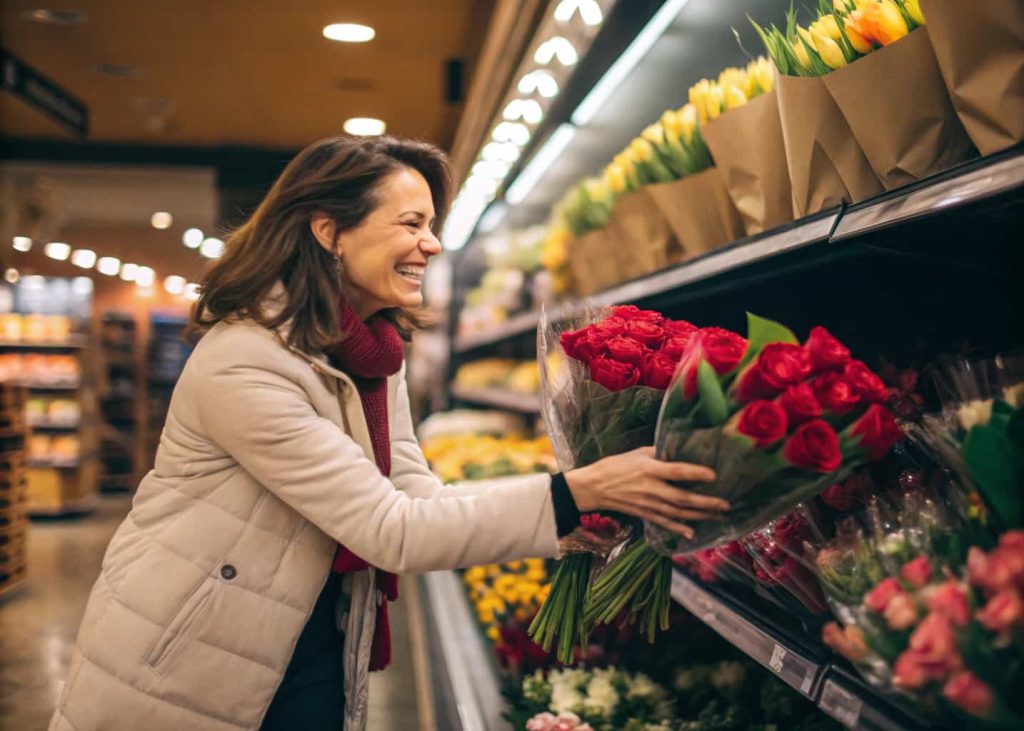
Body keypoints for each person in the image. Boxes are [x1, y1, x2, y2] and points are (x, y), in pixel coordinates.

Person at [49, 135, 728, 731]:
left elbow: (413, 491)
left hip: (301, 629)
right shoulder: (248, 360)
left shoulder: (370, 353)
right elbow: (389, 526)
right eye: (411, 222)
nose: (431, 244)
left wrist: (560, 515)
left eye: (432, 224)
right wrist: (575, 491)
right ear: (329, 231)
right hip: (188, 655)